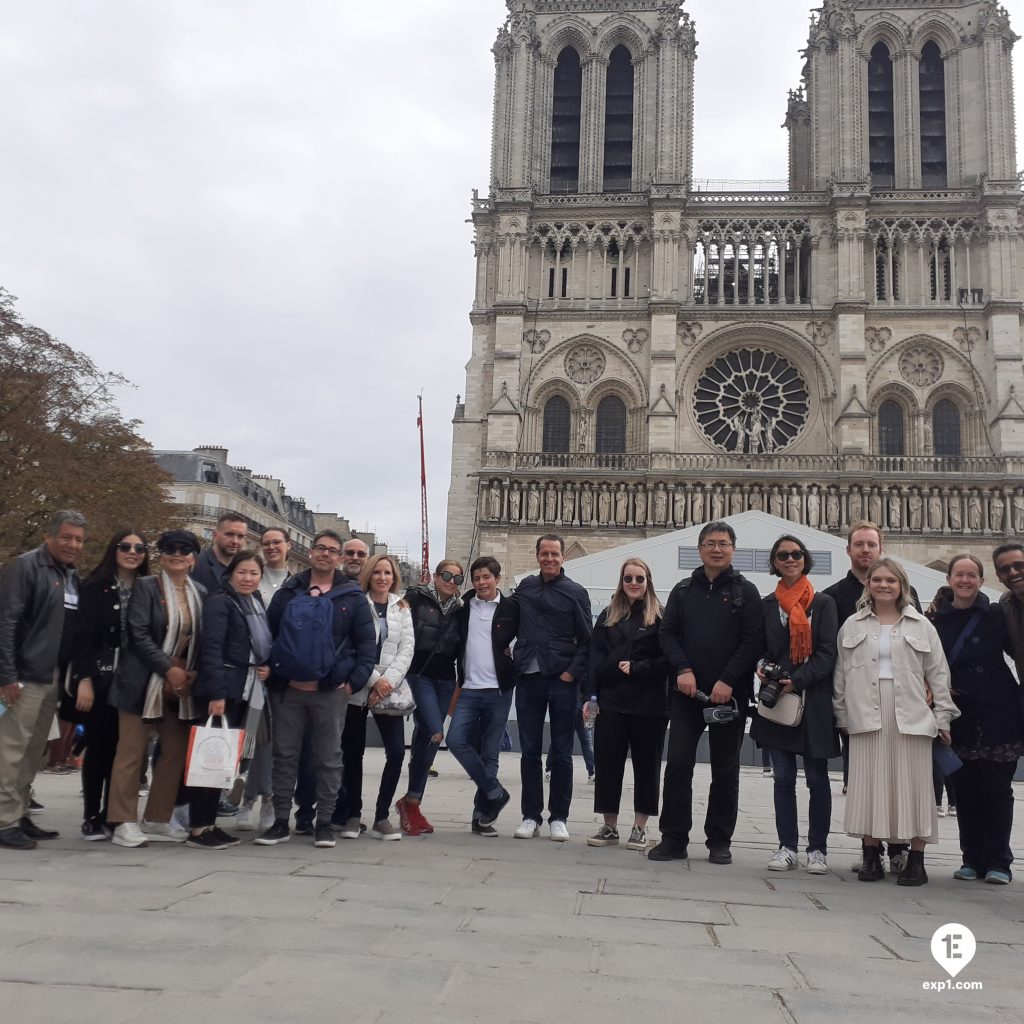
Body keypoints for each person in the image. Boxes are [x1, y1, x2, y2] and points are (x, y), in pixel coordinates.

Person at [833, 557, 958, 886]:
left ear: (902, 585)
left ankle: (916, 859)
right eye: (877, 580)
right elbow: (841, 676)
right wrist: (842, 714)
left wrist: (943, 716)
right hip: (866, 713)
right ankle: (871, 855)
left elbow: (939, 674)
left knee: (914, 787)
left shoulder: (921, 626)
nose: (884, 585)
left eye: (891, 580)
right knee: (868, 787)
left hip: (912, 713)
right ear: (868, 584)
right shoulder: (852, 625)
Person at [649, 521, 763, 864]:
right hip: (686, 695)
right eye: (711, 543)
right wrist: (683, 670)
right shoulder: (683, 590)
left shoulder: (747, 592)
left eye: (724, 543)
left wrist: (727, 680)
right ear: (700, 549)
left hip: (729, 696)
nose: (717, 549)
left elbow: (752, 640)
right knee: (679, 765)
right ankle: (673, 838)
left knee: (725, 769)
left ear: (733, 549)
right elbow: (667, 634)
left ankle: (719, 841)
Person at [256, 530, 376, 850]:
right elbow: (269, 635)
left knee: (328, 758)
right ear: (310, 552)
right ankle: (282, 821)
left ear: (339, 558)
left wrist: (352, 683)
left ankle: (323, 822)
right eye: (320, 548)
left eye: (332, 551)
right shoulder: (289, 591)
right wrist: (274, 674)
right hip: (289, 688)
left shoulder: (351, 597)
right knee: (285, 756)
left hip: (330, 690)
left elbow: (367, 646)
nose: (325, 554)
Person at [823, 519, 918, 874]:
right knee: (861, 778)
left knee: (899, 775)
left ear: (881, 549)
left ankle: (898, 847)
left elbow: (921, 654)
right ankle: (870, 850)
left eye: (871, 545)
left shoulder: (908, 598)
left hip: (901, 706)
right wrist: (841, 709)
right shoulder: (833, 597)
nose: (865, 550)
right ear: (848, 550)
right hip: (860, 705)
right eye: (859, 544)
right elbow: (836, 661)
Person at [108, 530, 206, 848]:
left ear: (194, 557)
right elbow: (137, 633)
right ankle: (123, 820)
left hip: (180, 686)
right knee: (131, 753)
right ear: (161, 555)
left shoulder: (201, 592)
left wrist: (190, 674)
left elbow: (204, 639)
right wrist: (168, 669)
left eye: (184, 549)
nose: (177, 554)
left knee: (174, 752)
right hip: (142, 681)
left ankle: (157, 817)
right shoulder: (145, 587)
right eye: (169, 549)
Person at [929, 553, 1024, 884]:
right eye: (959, 575)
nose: (965, 580)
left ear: (982, 581)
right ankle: (971, 858)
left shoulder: (998, 615)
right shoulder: (936, 620)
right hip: (959, 715)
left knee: (997, 790)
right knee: (965, 789)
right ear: (949, 579)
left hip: (999, 712)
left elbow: (1018, 651)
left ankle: (999, 861)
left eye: (972, 575)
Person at [749, 535, 839, 874]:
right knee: (783, 779)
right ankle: (787, 845)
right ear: (774, 562)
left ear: (805, 559)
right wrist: (762, 665)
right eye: (783, 555)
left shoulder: (823, 603)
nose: (790, 559)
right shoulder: (767, 604)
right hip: (779, 703)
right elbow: (761, 647)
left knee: (817, 779)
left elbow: (828, 653)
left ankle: (818, 848)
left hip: (812, 701)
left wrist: (798, 680)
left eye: (796, 554)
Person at [0, 510, 86, 850]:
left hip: (52, 675)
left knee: (34, 751)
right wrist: (7, 675)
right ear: (49, 536)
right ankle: (3, 820)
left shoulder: (69, 574)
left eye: (79, 539)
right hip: (24, 676)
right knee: (10, 750)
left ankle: (18, 813)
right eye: (66, 537)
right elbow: (6, 622)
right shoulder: (26, 566)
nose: (73, 544)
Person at [187, 550, 272, 850]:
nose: (248, 578)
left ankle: (210, 822)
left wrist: (265, 665)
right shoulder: (220, 602)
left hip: (247, 687)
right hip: (224, 689)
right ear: (231, 574)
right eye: (242, 573)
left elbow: (259, 646)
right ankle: (198, 827)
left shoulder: (254, 603)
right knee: (208, 760)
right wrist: (216, 694)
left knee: (224, 761)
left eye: (254, 574)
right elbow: (211, 649)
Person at [68, 529, 150, 840]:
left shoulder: (148, 587)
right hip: (101, 677)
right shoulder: (94, 587)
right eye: (125, 546)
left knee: (125, 750)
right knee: (99, 746)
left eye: (140, 548)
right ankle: (91, 814)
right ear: (113, 550)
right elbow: (83, 637)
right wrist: (84, 680)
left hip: (134, 678)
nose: (133, 552)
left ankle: (111, 812)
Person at [512, 535, 593, 842]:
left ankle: (558, 817)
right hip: (529, 677)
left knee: (561, 753)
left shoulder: (575, 592)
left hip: (561, 680)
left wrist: (572, 674)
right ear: (537, 556)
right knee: (529, 752)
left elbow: (587, 639)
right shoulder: (526, 588)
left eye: (554, 553)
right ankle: (530, 816)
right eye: (544, 553)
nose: (549, 558)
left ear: (562, 558)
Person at [584, 558, 668, 852]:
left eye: (639, 579)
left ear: (648, 582)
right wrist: (590, 696)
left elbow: (668, 661)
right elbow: (593, 658)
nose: (634, 584)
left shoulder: (659, 617)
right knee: (608, 766)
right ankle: (609, 825)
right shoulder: (608, 616)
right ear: (621, 582)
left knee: (647, 767)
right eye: (628, 578)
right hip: (612, 702)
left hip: (649, 705)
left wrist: (639, 667)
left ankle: (640, 828)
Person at [332, 554, 413, 841]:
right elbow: (349, 647)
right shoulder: (356, 603)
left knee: (397, 752)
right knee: (352, 753)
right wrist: (374, 679)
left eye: (387, 573)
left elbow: (407, 648)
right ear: (369, 574)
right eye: (377, 572)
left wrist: (388, 681)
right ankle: (353, 814)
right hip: (359, 684)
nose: (382, 577)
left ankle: (382, 815)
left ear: (394, 577)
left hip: (388, 689)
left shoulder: (402, 606)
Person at [448, 556, 519, 837]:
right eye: (477, 578)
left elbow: (525, 637)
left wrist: (516, 651)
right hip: (469, 689)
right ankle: (495, 792)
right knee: (455, 740)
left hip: (500, 689)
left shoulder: (513, 607)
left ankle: (481, 817)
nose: (481, 583)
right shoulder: (464, 607)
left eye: (486, 577)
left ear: (497, 579)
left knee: (490, 754)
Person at [395, 559, 465, 836]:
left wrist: (461, 684)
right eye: (447, 575)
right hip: (418, 675)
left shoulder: (460, 610)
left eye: (458, 579)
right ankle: (410, 801)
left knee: (425, 737)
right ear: (435, 576)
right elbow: (398, 631)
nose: (451, 581)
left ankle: (411, 803)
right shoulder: (415, 597)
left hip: (446, 678)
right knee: (435, 732)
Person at [235, 527, 293, 832]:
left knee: (274, 742)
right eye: (266, 543)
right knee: (253, 740)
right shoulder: (251, 580)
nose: (271, 547)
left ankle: (268, 798)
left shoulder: (296, 584)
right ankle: (248, 797)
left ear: (288, 546)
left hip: (282, 673)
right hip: (252, 673)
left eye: (276, 542)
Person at [191, 512, 248, 595]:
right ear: (215, 535)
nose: (235, 541)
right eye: (229, 534)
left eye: (240, 536)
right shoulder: (196, 565)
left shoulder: (243, 570)